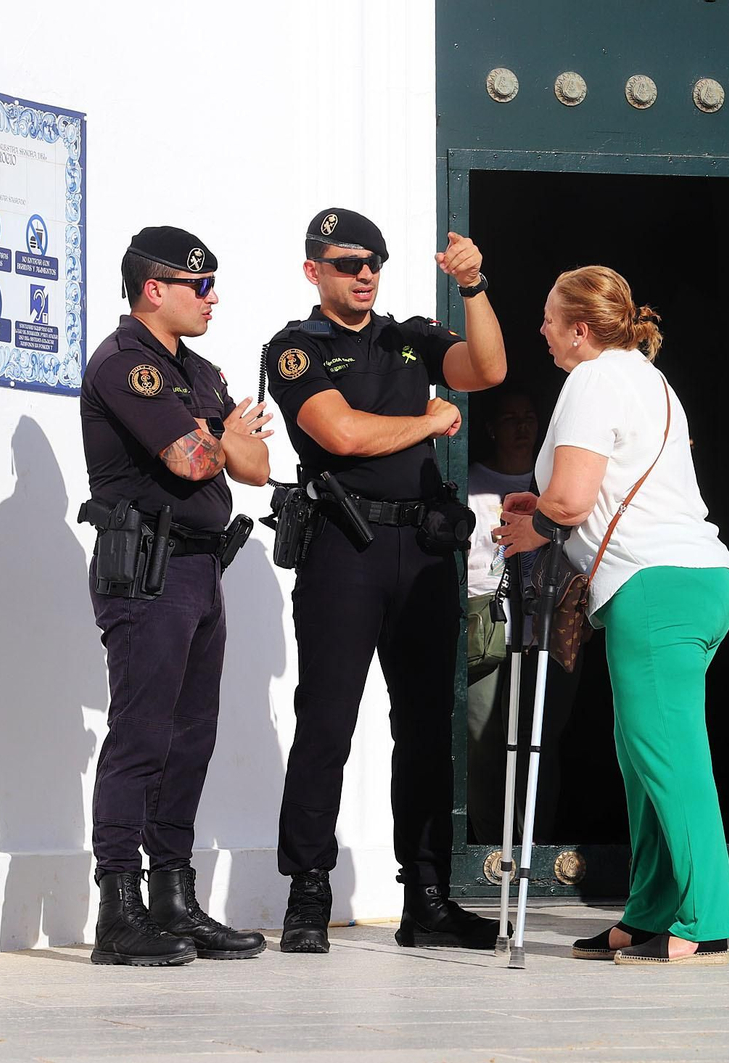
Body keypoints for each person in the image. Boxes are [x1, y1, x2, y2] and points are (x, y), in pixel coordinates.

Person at [263, 208, 507, 954]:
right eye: (347, 262)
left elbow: (487, 368)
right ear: (314, 270)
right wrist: (431, 424)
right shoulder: (297, 348)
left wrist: (474, 286)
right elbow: (339, 434)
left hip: (425, 549)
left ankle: (427, 895)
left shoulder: (408, 337)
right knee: (328, 722)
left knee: (429, 727)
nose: (365, 273)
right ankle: (308, 892)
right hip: (346, 546)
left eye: (374, 261)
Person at [496, 266, 729, 965]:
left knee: (668, 757)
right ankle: (650, 909)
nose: (542, 329)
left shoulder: (591, 379)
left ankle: (706, 915)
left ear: (581, 327)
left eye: (550, 317)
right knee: (645, 756)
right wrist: (543, 513)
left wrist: (536, 524)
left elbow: (574, 502)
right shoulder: (649, 378)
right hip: (693, 578)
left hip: (653, 584)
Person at [79, 226, 273, 965]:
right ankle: (119, 910)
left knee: (191, 737)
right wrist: (216, 432)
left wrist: (214, 431)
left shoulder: (198, 369)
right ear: (153, 289)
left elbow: (253, 466)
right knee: (140, 738)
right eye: (200, 285)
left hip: (199, 569)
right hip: (148, 569)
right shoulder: (127, 364)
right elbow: (192, 461)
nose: (212, 296)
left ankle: (173, 898)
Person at [463, 389, 579, 843]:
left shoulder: (559, 485)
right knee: (484, 746)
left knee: (540, 746)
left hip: (550, 631)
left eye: (529, 415)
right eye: (510, 417)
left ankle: (535, 847)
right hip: (488, 634)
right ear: (491, 428)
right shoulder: (469, 481)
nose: (522, 425)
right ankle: (492, 850)